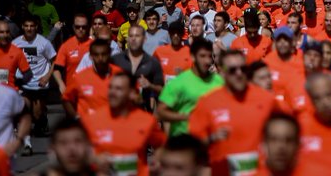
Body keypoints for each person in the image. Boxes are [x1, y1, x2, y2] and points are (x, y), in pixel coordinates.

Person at [187, 48, 275, 176]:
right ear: (222, 72)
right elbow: (191, 145)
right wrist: (211, 138)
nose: (239, 73)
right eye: (233, 70)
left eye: (243, 69)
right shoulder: (207, 102)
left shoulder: (266, 99)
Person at [84, 71, 166, 176]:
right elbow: (79, 151)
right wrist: (94, 159)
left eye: (118, 89)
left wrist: (156, 163)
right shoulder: (92, 119)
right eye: (110, 87)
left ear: (132, 93)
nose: (112, 92)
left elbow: (162, 145)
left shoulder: (147, 121)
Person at [157, 38, 222, 135]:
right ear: (193, 57)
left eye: (209, 56)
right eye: (202, 56)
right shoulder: (178, 82)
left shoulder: (219, 81)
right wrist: (186, 117)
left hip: (210, 140)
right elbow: (161, 112)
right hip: (183, 141)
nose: (207, 61)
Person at [14, 14, 57, 148]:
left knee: (36, 114)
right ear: (22, 27)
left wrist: (47, 77)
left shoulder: (43, 43)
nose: (29, 29)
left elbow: (55, 60)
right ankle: (25, 134)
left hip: (40, 82)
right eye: (26, 26)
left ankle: (42, 119)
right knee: (23, 107)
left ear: (36, 27)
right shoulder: (15, 43)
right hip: (23, 82)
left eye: (32, 26)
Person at [111, 24, 165, 110]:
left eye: (137, 36)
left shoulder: (152, 62)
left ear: (144, 39)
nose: (133, 39)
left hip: (142, 111)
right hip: (119, 112)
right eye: (131, 36)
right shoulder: (116, 60)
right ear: (127, 39)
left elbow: (162, 90)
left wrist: (150, 85)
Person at [61, 38, 116, 118]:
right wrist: (76, 117)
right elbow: (66, 98)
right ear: (90, 56)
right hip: (89, 124)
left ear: (109, 54)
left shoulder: (119, 75)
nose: (100, 58)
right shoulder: (81, 77)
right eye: (96, 55)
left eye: (103, 54)